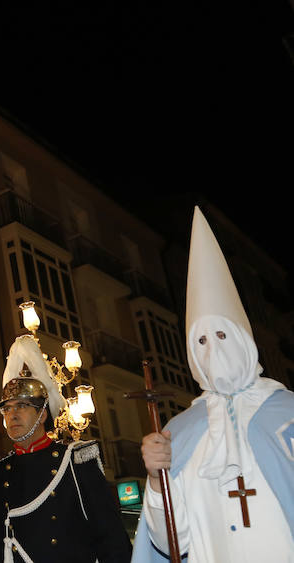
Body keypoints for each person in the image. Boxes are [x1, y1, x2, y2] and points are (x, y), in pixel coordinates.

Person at [132, 207, 294, 562]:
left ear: (243, 338)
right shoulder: (180, 432)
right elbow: (173, 541)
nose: (213, 349)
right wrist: (158, 482)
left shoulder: (289, 414)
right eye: (200, 342)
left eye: (221, 333)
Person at [0, 335, 131, 563]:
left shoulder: (75, 460)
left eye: (22, 406)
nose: (12, 415)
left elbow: (110, 536)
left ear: (42, 414)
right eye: (7, 409)